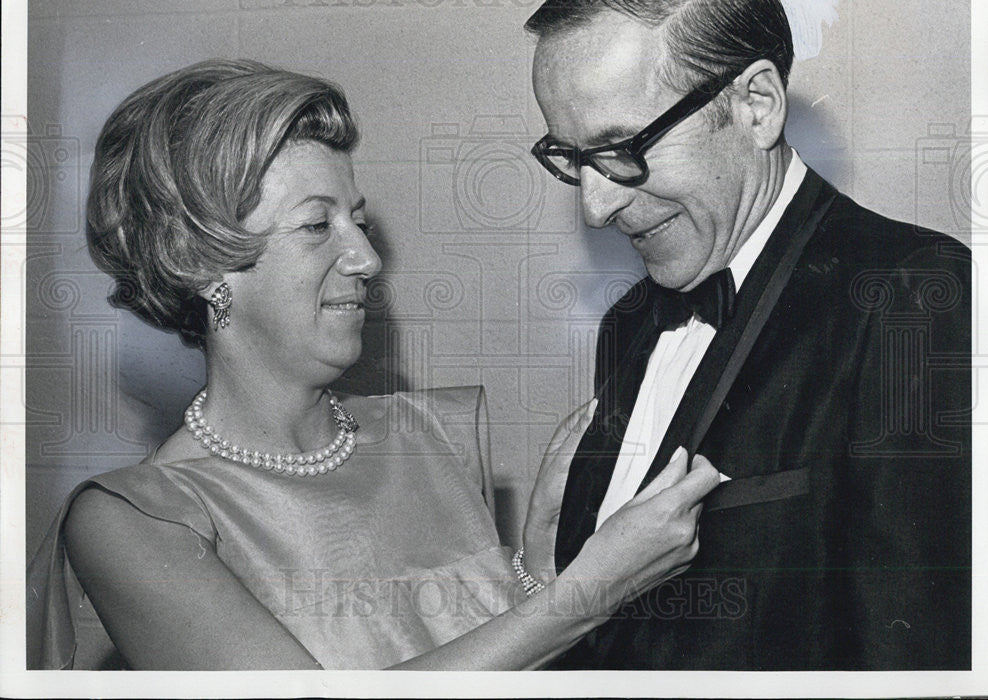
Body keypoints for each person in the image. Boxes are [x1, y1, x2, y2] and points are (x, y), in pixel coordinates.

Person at [26, 59, 721, 671]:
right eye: (316, 225)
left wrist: (536, 568)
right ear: (199, 262)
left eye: (356, 219)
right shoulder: (130, 521)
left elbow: (483, 656)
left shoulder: (430, 432)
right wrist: (586, 594)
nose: (366, 258)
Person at [524, 0, 971, 670]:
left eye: (620, 150)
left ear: (756, 104)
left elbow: (920, 661)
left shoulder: (913, 300)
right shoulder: (631, 322)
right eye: (571, 160)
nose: (594, 208)